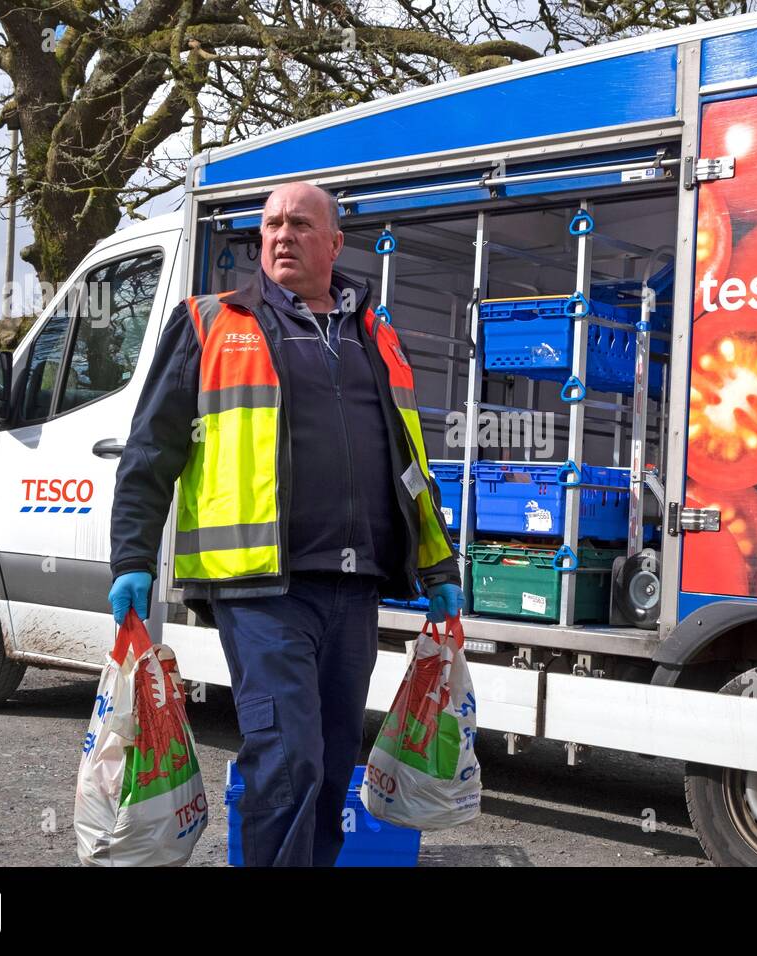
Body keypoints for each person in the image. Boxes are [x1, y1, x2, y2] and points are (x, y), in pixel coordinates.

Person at [107, 181, 464, 866]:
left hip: (356, 588)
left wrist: (438, 564)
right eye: (271, 224)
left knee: (331, 769)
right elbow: (151, 450)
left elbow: (409, 460)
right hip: (261, 588)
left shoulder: (376, 335)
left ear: (335, 242)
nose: (281, 236)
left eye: (300, 224)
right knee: (287, 758)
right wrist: (131, 557)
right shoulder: (212, 322)